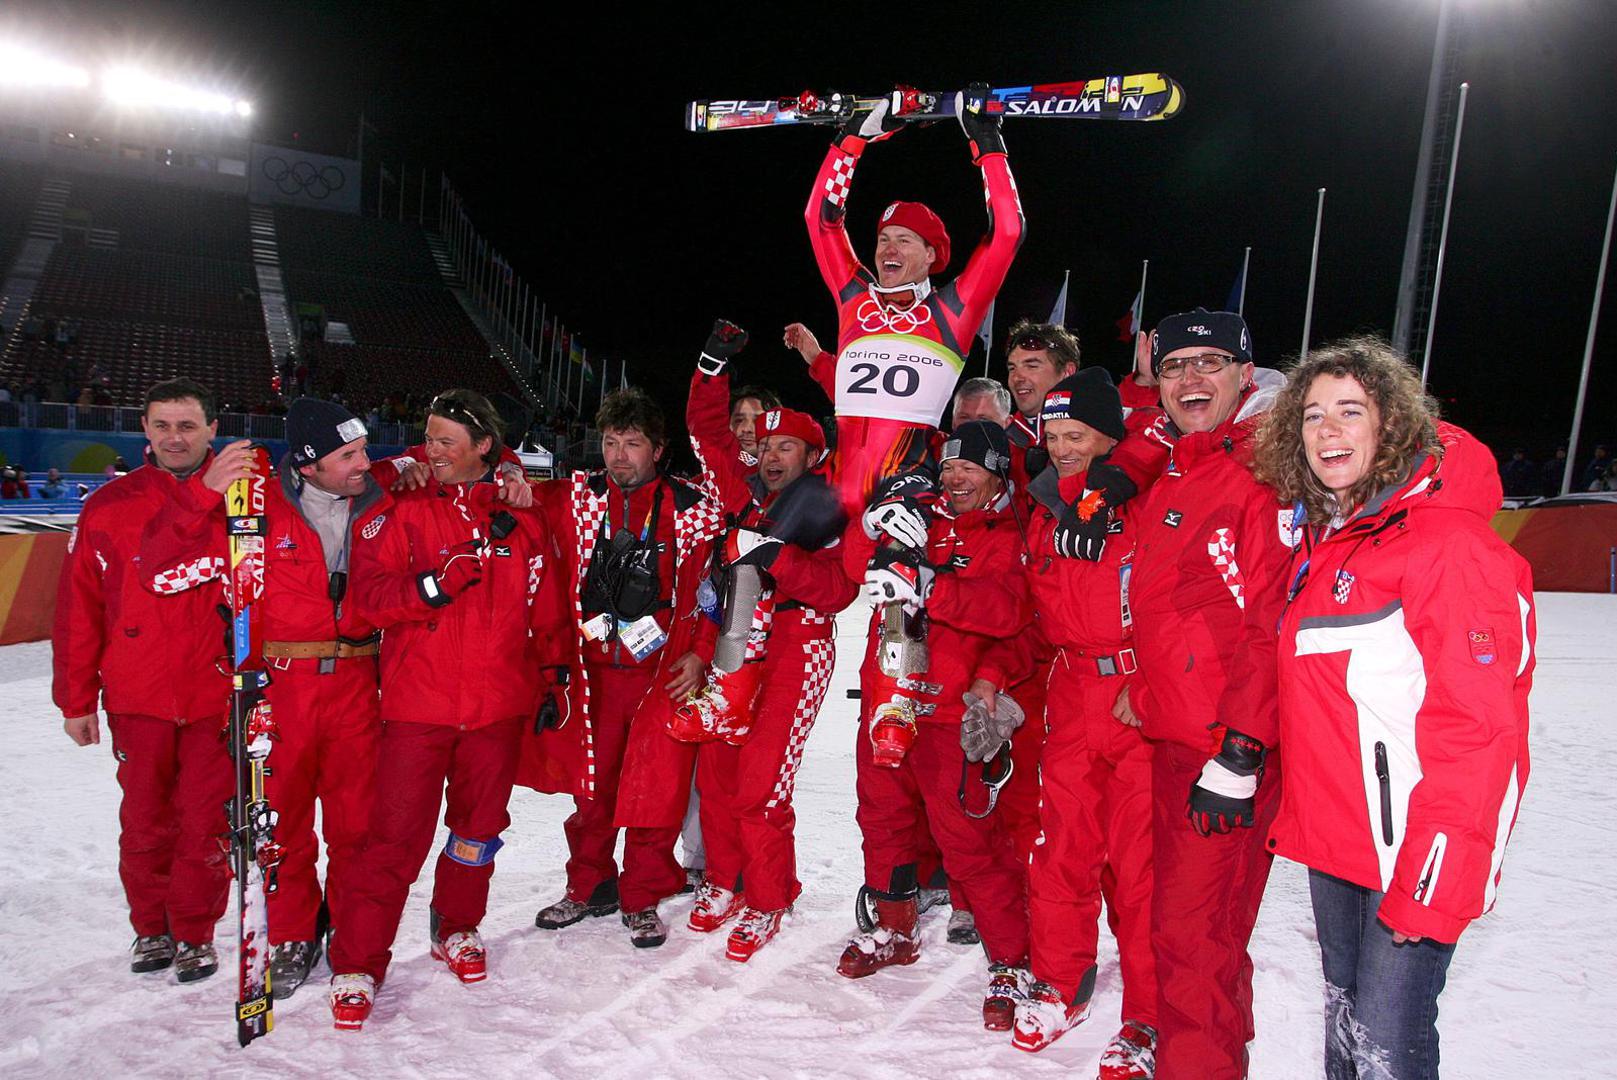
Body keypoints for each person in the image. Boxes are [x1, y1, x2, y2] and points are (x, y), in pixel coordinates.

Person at [1252, 337, 1535, 1080]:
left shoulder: (1448, 545)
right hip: (1336, 847)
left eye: (1351, 410)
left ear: (1394, 427)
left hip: (1406, 852)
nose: (1327, 430)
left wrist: (1435, 874)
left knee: (1386, 1049)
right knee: (1347, 1037)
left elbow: (1478, 730)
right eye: (1312, 415)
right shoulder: (1336, 545)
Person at [140, 398, 399, 998]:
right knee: (279, 825)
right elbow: (158, 572)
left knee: (358, 827)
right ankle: (291, 934)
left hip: (360, 685)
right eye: (349, 455)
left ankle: (351, 932)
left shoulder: (384, 494)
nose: (366, 462)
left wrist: (513, 469)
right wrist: (202, 492)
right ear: (308, 466)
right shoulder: (251, 509)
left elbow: (461, 455)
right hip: (282, 690)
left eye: (364, 449)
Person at [327, 389, 566, 1030]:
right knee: (393, 841)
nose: (430, 453)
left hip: (496, 707)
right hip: (417, 706)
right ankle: (357, 962)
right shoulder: (398, 506)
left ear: (484, 447)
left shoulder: (522, 513)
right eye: (427, 439)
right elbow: (367, 603)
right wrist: (433, 586)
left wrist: (553, 675)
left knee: (476, 833)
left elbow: (546, 606)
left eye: (444, 442)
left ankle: (456, 927)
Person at [1126, 309, 1295, 1079]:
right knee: (1191, 928)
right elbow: (1175, 602)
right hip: (1176, 734)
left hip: (1224, 750)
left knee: (1194, 931)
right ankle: (1210, 1055)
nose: (1190, 379)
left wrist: (1240, 751)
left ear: (1243, 373)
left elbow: (1272, 620)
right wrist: (1145, 680)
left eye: (1209, 363)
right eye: (1173, 367)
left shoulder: (1261, 470)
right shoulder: (1183, 463)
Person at [986, 369, 1158, 1076]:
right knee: (1060, 851)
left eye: (1075, 436)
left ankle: (1148, 1014)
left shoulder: (1147, 495)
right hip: (1072, 695)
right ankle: (1059, 984)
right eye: (1053, 436)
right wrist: (991, 678)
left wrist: (1149, 681)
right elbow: (1037, 619)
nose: (1060, 448)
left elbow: (1182, 610)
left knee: (1142, 868)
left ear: (1109, 438)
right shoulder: (1042, 510)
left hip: (1139, 703)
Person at [671, 321, 856, 960]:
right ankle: (724, 878)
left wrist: (782, 558)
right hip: (734, 643)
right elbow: (708, 430)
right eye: (766, 446)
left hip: (797, 651)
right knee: (719, 771)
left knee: (761, 783)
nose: (771, 455)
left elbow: (838, 593)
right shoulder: (744, 497)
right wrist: (712, 362)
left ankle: (770, 897)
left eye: (787, 448)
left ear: (812, 456)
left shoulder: (829, 508)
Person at [842, 420, 1033, 1032]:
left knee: (969, 844)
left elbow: (1009, 613)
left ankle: (1009, 960)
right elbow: (853, 570)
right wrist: (871, 522)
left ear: (998, 474)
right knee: (882, 821)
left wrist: (930, 585)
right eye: (948, 467)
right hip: (888, 703)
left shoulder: (1009, 537)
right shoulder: (921, 519)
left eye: (969, 468)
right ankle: (895, 931)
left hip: (950, 714)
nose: (954, 478)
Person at [521, 387, 724, 949]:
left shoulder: (693, 509)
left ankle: (642, 896)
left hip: (662, 676)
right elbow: (509, 493)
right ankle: (589, 886)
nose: (618, 456)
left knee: (654, 792)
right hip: (593, 677)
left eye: (632, 444)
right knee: (592, 790)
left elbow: (717, 590)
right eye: (610, 442)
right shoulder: (575, 499)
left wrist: (701, 652)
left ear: (658, 449)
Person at [51, 378, 234, 983]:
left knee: (205, 821)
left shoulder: (249, 497)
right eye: (162, 426)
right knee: (147, 820)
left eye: (187, 425)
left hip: (217, 695)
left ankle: (195, 931)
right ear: (145, 431)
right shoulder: (109, 505)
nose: (174, 438)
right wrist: (76, 699)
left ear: (213, 428)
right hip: (139, 695)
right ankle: (151, 928)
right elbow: (80, 611)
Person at [802, 85, 1022, 525]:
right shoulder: (855, 300)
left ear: (931, 256)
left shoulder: (948, 313)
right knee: (749, 557)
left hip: (903, 491)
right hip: (834, 493)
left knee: (888, 587)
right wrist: (850, 142)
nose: (890, 249)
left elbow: (1007, 234)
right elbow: (819, 219)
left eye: (904, 241)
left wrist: (987, 145)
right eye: (883, 239)